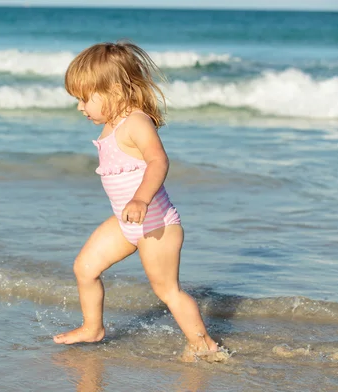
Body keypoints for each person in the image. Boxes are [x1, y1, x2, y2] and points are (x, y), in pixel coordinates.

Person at [53, 41, 225, 362]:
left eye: (84, 98)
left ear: (115, 90)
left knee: (167, 290)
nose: (80, 107)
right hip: (126, 222)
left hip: (156, 223)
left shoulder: (135, 121)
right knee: (85, 268)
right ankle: (93, 327)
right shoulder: (110, 125)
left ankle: (205, 346)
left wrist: (141, 198)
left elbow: (158, 161)